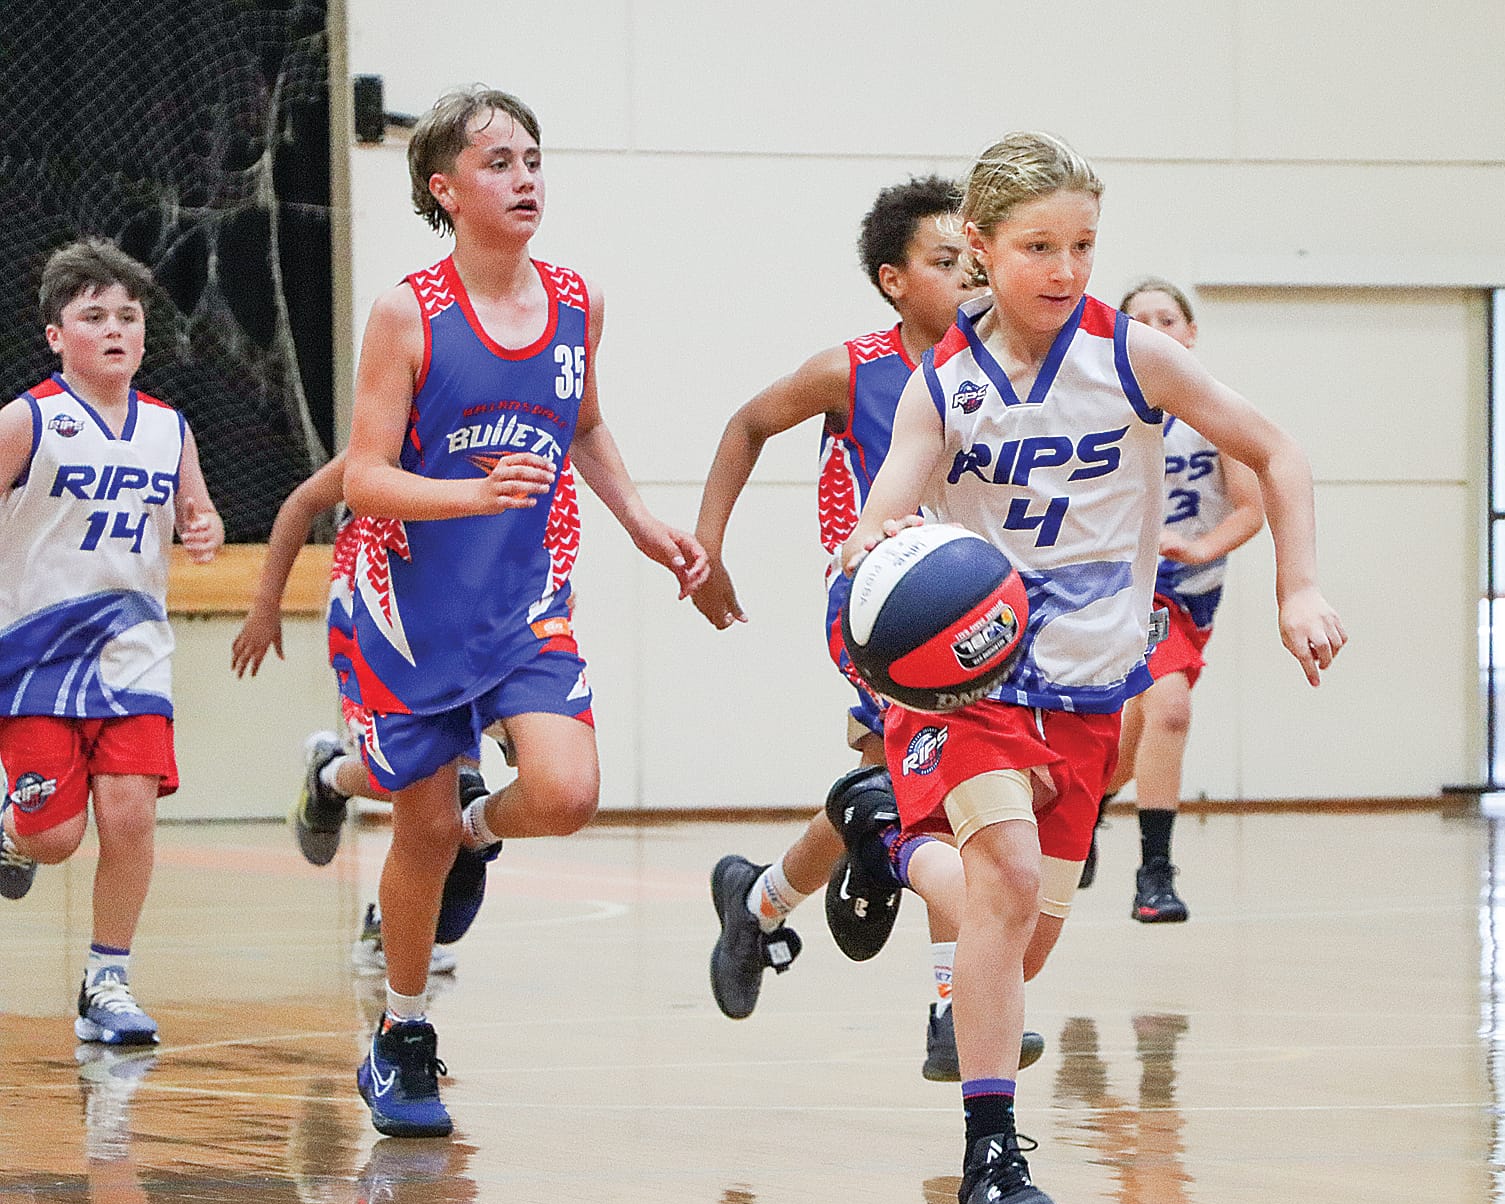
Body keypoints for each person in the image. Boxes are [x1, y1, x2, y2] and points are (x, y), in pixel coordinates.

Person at [839, 131, 1345, 1204]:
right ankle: (993, 1159)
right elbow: (883, 505)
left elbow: (1280, 451)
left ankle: (883, 834)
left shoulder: (1135, 358)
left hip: (1087, 689)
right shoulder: (945, 382)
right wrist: (867, 551)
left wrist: (1297, 582)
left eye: (1082, 245)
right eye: (1037, 246)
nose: (1065, 268)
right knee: (1007, 879)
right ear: (978, 246)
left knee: (1016, 943)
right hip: (972, 682)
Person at [342, 85, 706, 1138]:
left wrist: (638, 518)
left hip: (524, 599)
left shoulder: (577, 300)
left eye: (534, 158)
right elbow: (364, 476)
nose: (525, 177)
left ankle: (478, 828)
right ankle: (404, 1031)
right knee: (412, 830)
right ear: (444, 189)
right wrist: (467, 492)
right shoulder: (408, 310)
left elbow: (584, 425)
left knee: (566, 788)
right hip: (411, 606)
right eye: (498, 162)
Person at [693, 177, 1042, 1080]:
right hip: (878, 609)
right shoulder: (853, 368)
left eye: (975, 262)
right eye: (944, 263)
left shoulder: (1003, 367)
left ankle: (762, 902)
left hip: (968, 606)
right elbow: (746, 423)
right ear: (892, 280)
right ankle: (944, 1006)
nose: (969, 278)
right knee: (939, 782)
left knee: (894, 786)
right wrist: (708, 546)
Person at [230, 451, 579, 974]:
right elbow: (301, 503)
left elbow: (548, 543)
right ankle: (331, 776)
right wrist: (265, 608)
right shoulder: (395, 435)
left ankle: (402, 900)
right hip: (373, 613)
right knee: (421, 781)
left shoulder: (522, 436)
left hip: (461, 616)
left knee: (454, 798)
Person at [0, 237, 224, 1045]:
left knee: (129, 818)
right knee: (54, 838)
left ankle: (107, 980)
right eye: (92, 316)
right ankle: (12, 830)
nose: (115, 328)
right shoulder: (27, 421)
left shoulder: (169, 428)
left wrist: (202, 527)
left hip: (135, 655)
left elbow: (197, 509)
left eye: (128, 315)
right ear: (57, 336)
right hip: (35, 659)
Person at [1081, 279, 1264, 922]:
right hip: (1126, 587)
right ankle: (1155, 874)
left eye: (1168, 317)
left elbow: (1251, 509)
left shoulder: (1216, 414)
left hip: (1191, 591)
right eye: (1140, 320)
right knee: (1171, 710)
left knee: (1131, 744)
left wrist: (1201, 545)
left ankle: (1088, 811)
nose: (1156, 328)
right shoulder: (1100, 410)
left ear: (1190, 335)